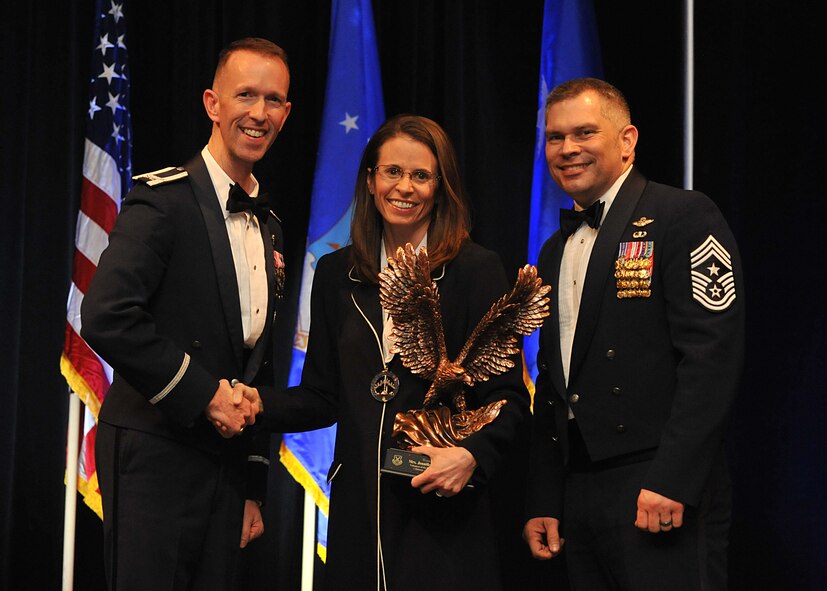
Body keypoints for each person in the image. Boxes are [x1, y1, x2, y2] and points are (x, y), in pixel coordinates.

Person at [256, 114, 530, 590]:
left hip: (444, 514)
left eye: (421, 175)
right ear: (370, 180)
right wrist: (257, 403)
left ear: (440, 187)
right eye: (392, 172)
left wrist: (471, 455)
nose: (404, 187)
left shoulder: (476, 270)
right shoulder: (336, 273)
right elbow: (323, 395)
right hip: (359, 508)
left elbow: (508, 398)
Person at [81, 37, 292, 590]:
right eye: (245, 95)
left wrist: (252, 483)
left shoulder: (269, 223)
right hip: (157, 451)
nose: (259, 112)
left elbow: (256, 362)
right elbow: (107, 315)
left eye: (273, 100)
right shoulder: (163, 200)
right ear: (212, 103)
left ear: (286, 113)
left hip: (225, 465)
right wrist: (203, 396)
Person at [522, 78, 744, 590]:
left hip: (658, 483)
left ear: (627, 140)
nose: (568, 149)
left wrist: (672, 478)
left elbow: (712, 358)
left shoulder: (682, 216)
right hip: (579, 491)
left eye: (584, 133)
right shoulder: (554, 249)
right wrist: (545, 497)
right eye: (555, 138)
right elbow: (553, 382)